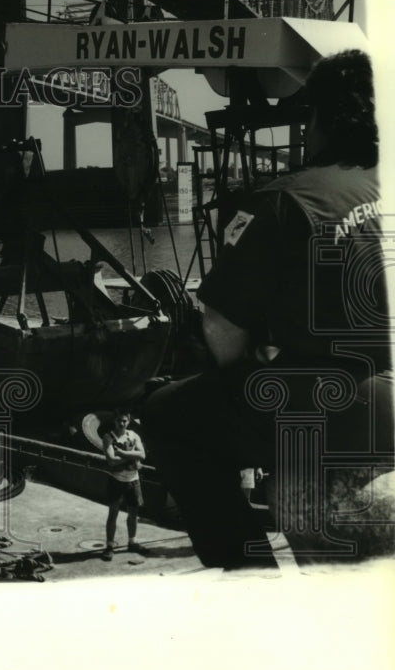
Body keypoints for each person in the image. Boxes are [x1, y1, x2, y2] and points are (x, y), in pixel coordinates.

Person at [143, 49, 393, 569]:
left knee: (168, 415)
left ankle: (244, 573)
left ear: (317, 118)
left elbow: (220, 323)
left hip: (351, 405)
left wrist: (241, 376)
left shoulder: (284, 200)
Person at [101, 409, 148, 561]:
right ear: (114, 421)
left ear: (128, 421)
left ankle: (132, 542)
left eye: (125, 421)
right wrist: (132, 458)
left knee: (133, 513)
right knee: (113, 514)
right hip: (116, 481)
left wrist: (121, 453)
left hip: (133, 480)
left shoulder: (134, 435)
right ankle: (109, 546)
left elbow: (143, 455)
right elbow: (111, 461)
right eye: (119, 421)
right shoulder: (108, 437)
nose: (122, 424)